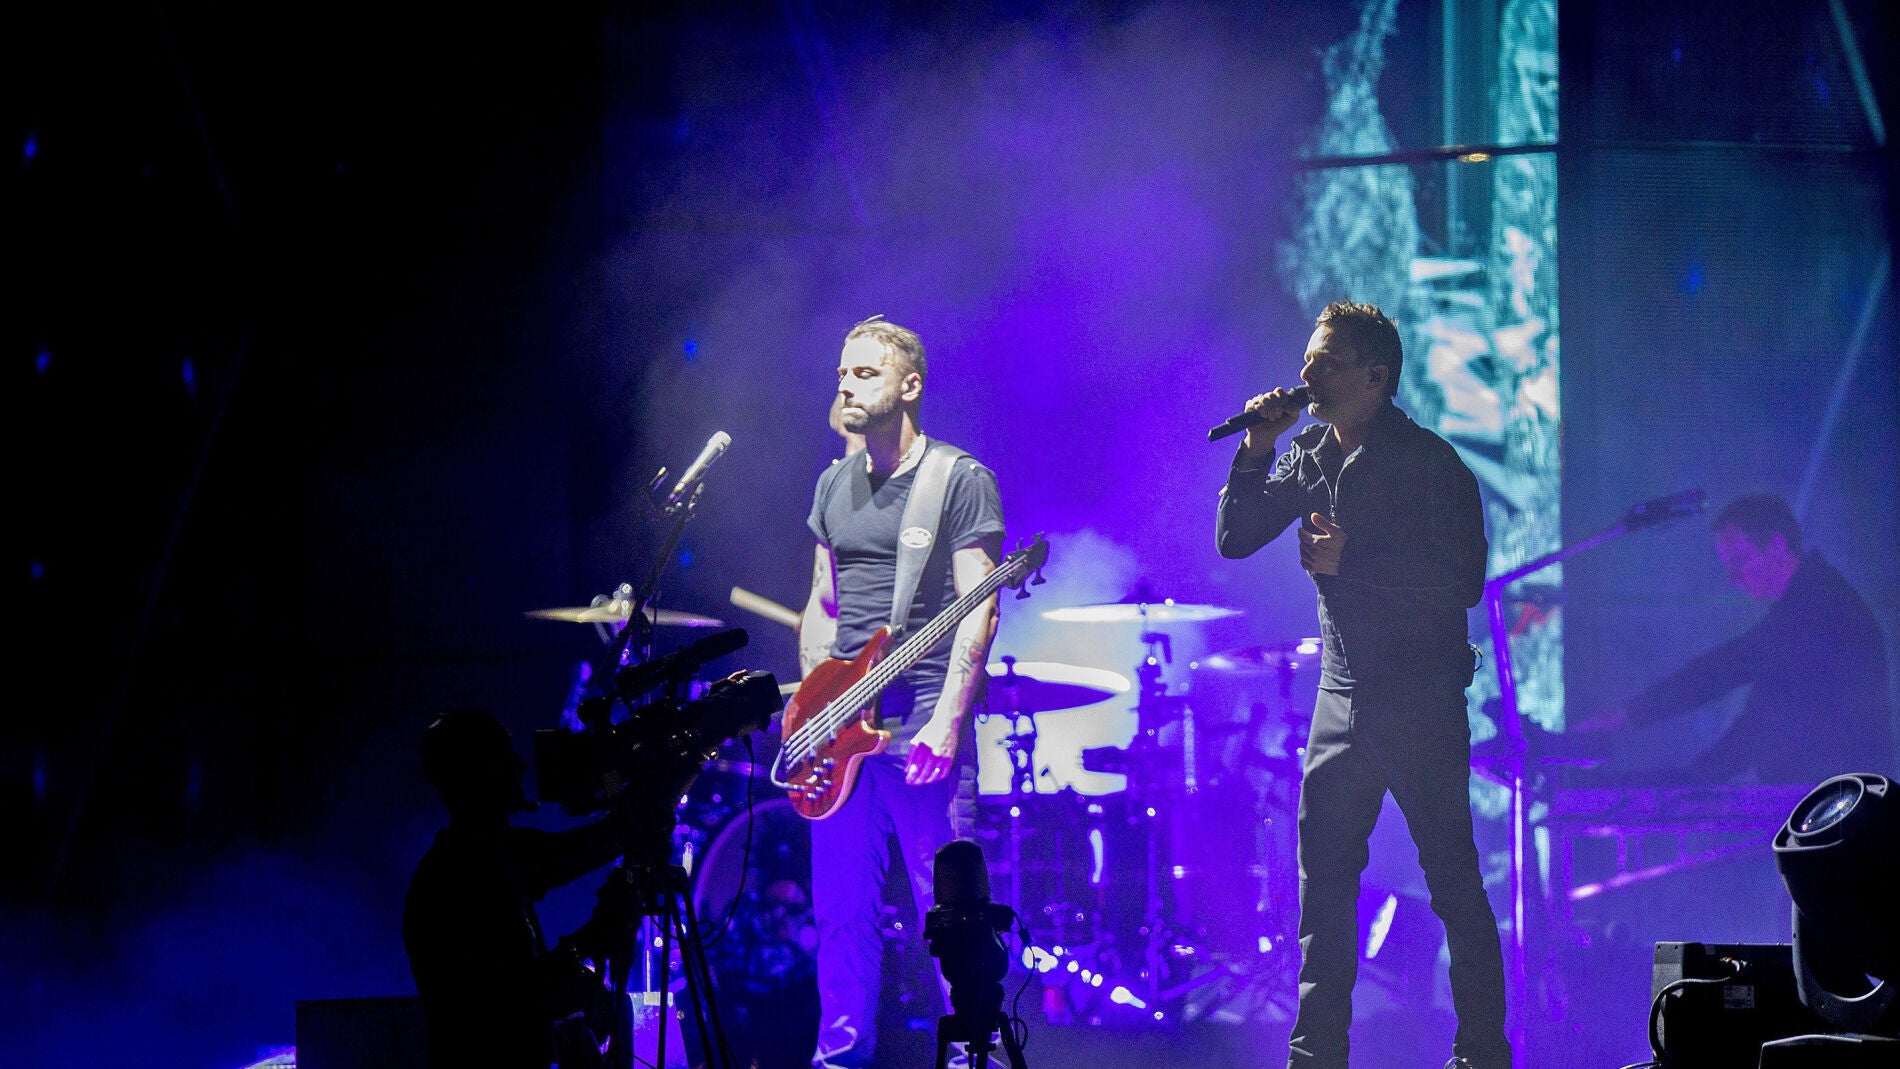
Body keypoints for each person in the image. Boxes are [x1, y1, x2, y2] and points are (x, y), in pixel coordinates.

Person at [1216, 301, 1510, 1069]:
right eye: (1309, 358)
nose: (1307, 372)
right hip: (1341, 698)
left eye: (1328, 363)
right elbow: (1236, 537)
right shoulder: (1308, 449)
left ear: (1376, 378)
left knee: (1453, 882)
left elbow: (1464, 581)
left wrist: (1359, 563)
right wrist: (1256, 445)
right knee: (1323, 893)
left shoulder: (1431, 463)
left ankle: (1482, 1054)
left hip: (1419, 699)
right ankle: (1317, 1058)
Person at [796, 315, 1005, 1069]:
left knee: (949, 915)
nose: (846, 385)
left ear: (909, 385)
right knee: (841, 917)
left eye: (865, 373)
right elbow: (821, 604)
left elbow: (979, 603)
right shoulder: (832, 483)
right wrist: (816, 711)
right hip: (840, 741)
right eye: (842, 373)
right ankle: (839, 1058)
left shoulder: (958, 479)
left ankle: (970, 1058)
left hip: (920, 726)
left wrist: (948, 719)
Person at [1576, 493, 1893, 783]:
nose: (1733, 577)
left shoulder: (1817, 605)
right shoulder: (1812, 599)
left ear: (1778, 545)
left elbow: (1728, 668)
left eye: (1740, 560)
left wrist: (1629, 715)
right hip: (1835, 800)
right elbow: (1766, 715)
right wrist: (1694, 779)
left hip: (1843, 806)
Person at [403, 708, 628, 1069]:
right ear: (477, 770)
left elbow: (607, 839)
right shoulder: (460, 874)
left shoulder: (479, 857)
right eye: (505, 755)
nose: (521, 766)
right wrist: (591, 938)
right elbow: (516, 996)